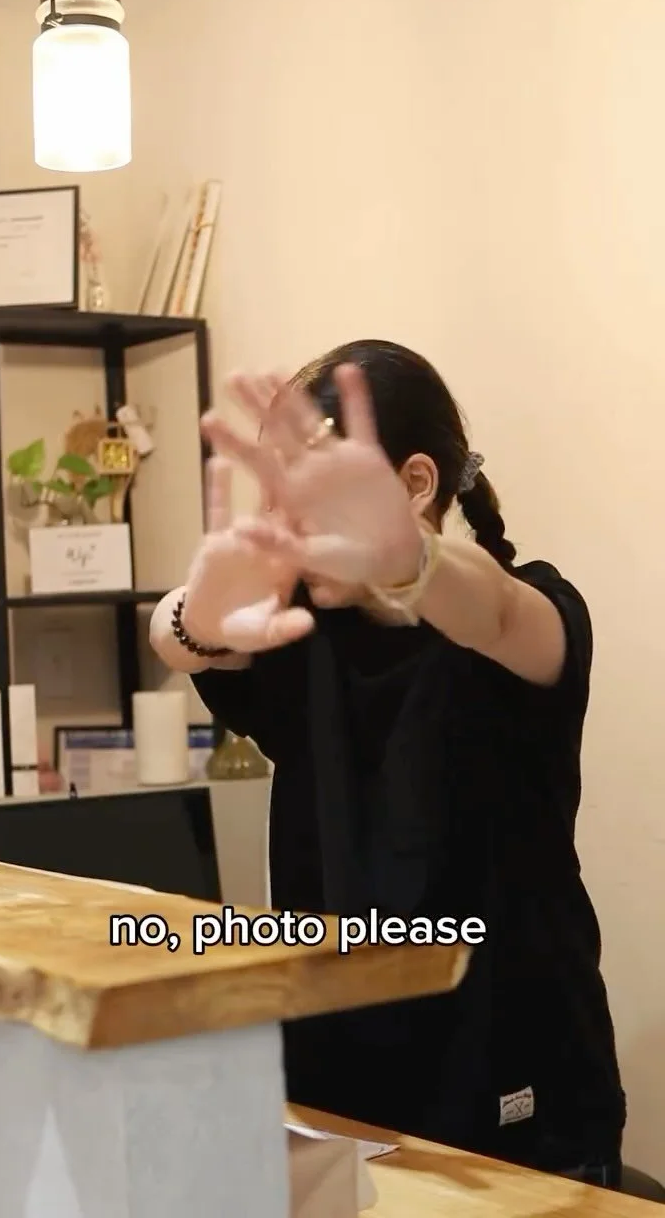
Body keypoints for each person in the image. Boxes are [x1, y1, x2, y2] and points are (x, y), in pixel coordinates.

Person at [150, 340, 625, 1187]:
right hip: (338, 1072)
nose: (291, 515)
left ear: (415, 483)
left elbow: (492, 611)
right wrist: (199, 613)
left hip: (513, 1070)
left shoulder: (534, 609)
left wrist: (408, 560)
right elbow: (182, 638)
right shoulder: (298, 630)